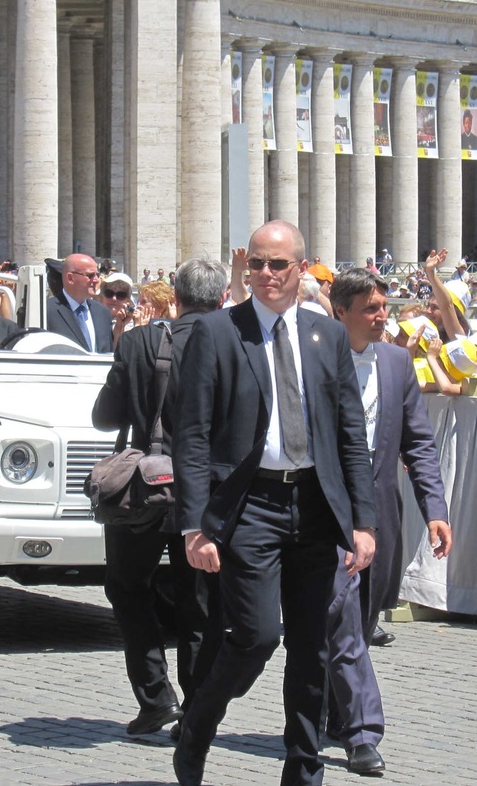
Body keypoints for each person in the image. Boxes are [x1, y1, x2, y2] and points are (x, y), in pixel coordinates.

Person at [171, 220, 376, 786]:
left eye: (277, 265)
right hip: (249, 507)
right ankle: (197, 728)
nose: (265, 274)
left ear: (300, 269)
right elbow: (191, 435)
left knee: (311, 647)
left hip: (313, 506)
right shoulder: (216, 333)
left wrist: (362, 522)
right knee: (256, 636)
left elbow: (349, 433)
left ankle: (303, 770)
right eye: (256, 264)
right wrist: (195, 526)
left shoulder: (326, 335)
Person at [91, 260, 227, 738]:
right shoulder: (236, 341)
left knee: (128, 588)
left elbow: (105, 417)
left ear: (177, 294)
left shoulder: (138, 342)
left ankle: (155, 696)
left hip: (146, 490)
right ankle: (195, 709)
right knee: (200, 602)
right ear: (223, 296)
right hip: (209, 492)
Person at [327, 269, 451, 776]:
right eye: (371, 309)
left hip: (381, 512)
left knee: (364, 615)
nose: (383, 317)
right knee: (344, 621)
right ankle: (363, 732)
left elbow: (418, 443)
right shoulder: (316, 358)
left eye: (385, 306)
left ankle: (329, 713)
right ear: (341, 313)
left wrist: (435, 510)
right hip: (328, 514)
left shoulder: (399, 362)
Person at [45, 253, 112, 353]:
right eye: (90, 275)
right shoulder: (47, 311)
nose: (96, 280)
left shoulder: (102, 312)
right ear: (70, 278)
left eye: (97, 275)